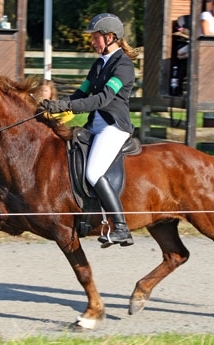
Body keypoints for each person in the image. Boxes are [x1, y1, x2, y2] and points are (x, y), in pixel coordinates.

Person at [40, 13, 138, 248]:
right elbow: (81, 93)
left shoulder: (123, 65)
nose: (92, 42)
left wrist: (68, 106)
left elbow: (103, 99)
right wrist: (54, 105)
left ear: (110, 37)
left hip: (113, 128)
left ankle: (122, 228)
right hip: (95, 125)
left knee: (93, 173)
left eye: (96, 37)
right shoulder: (98, 64)